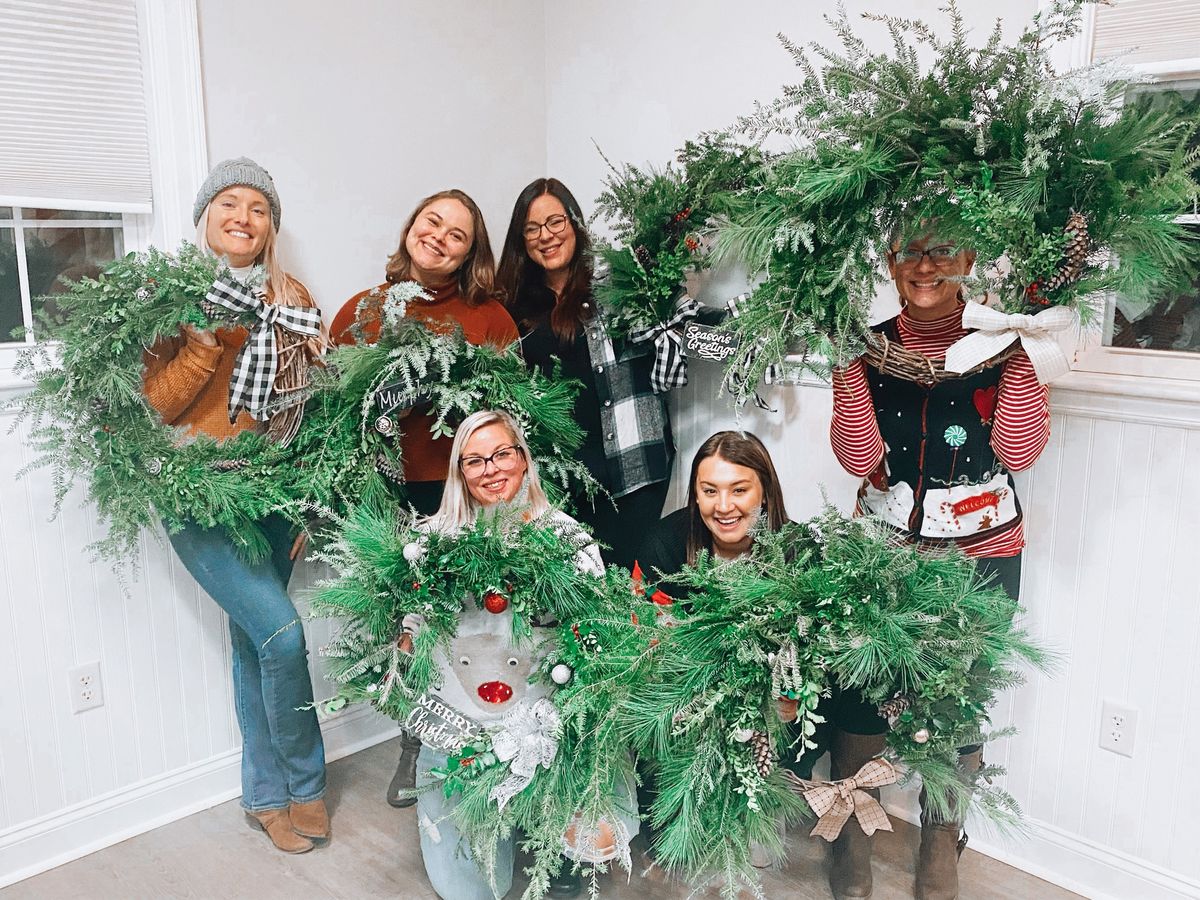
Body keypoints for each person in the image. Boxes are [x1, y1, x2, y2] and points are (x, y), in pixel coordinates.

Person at [830, 229, 1051, 900]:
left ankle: (939, 842)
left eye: (942, 250)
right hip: (884, 545)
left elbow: (1018, 450)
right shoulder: (867, 344)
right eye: (907, 251)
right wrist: (845, 363)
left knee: (959, 695)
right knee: (863, 685)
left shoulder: (1003, 342)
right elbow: (858, 458)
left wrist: (1022, 353)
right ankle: (851, 832)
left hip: (981, 549)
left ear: (970, 262)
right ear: (890, 264)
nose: (924, 266)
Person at [141, 158, 328, 854]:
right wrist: (201, 348)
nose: (243, 218)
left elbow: (310, 407)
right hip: (196, 494)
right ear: (206, 217)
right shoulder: (170, 296)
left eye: (258, 207)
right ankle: (306, 783)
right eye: (229, 203)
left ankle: (265, 796)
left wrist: (309, 502)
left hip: (275, 492)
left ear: (271, 225)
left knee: (256, 646)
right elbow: (155, 407)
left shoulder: (291, 295)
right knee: (283, 635)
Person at [329, 189, 519, 807]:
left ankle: (476, 745)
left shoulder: (490, 318)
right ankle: (415, 743)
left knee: (462, 618)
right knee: (405, 621)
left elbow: (514, 415)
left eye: (457, 233)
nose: (439, 236)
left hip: (462, 492)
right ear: (411, 226)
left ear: (471, 253)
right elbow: (335, 415)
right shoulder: (362, 311)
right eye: (431, 222)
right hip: (387, 490)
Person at [407, 409, 614, 900]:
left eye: (502, 454)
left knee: (574, 861)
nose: (491, 469)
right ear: (459, 473)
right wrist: (405, 644)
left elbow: (599, 630)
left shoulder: (566, 538)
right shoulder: (434, 541)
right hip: (462, 721)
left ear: (523, 460)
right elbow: (410, 617)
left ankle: (554, 856)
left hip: (544, 719)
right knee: (470, 885)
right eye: (474, 460)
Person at [497, 178, 674, 570]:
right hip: (555, 479)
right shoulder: (512, 308)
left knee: (623, 583)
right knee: (567, 588)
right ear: (520, 240)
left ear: (575, 224)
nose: (546, 236)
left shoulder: (619, 286)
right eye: (532, 228)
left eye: (555, 222)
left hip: (633, 467)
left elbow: (670, 324)